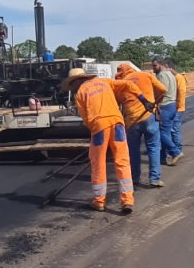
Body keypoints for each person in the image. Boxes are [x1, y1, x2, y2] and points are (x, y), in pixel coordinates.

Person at [61, 68, 148, 213]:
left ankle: (99, 202)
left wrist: (96, 133)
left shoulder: (80, 93)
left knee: (98, 163)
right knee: (122, 161)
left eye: (72, 85)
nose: (72, 88)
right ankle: (127, 201)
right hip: (118, 124)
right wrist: (143, 100)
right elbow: (128, 85)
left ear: (77, 81)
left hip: (99, 127)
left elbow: (86, 119)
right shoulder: (104, 82)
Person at [116, 64, 167, 187]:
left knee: (133, 150)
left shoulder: (121, 82)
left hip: (131, 120)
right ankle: (154, 179)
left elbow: (118, 101)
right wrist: (155, 102)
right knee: (153, 147)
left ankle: (134, 178)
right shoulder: (146, 75)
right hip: (149, 116)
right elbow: (163, 90)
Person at [151, 58, 183, 165]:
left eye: (155, 66)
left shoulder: (161, 76)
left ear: (161, 65)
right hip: (172, 105)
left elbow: (161, 90)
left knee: (161, 133)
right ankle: (162, 157)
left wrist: (155, 101)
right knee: (166, 133)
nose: (153, 68)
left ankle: (175, 152)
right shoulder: (172, 74)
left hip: (165, 106)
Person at [171, 67, 187, 156]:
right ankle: (173, 148)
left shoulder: (179, 77)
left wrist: (178, 106)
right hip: (174, 107)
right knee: (171, 129)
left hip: (178, 108)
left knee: (174, 129)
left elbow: (182, 91)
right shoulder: (174, 78)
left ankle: (178, 150)